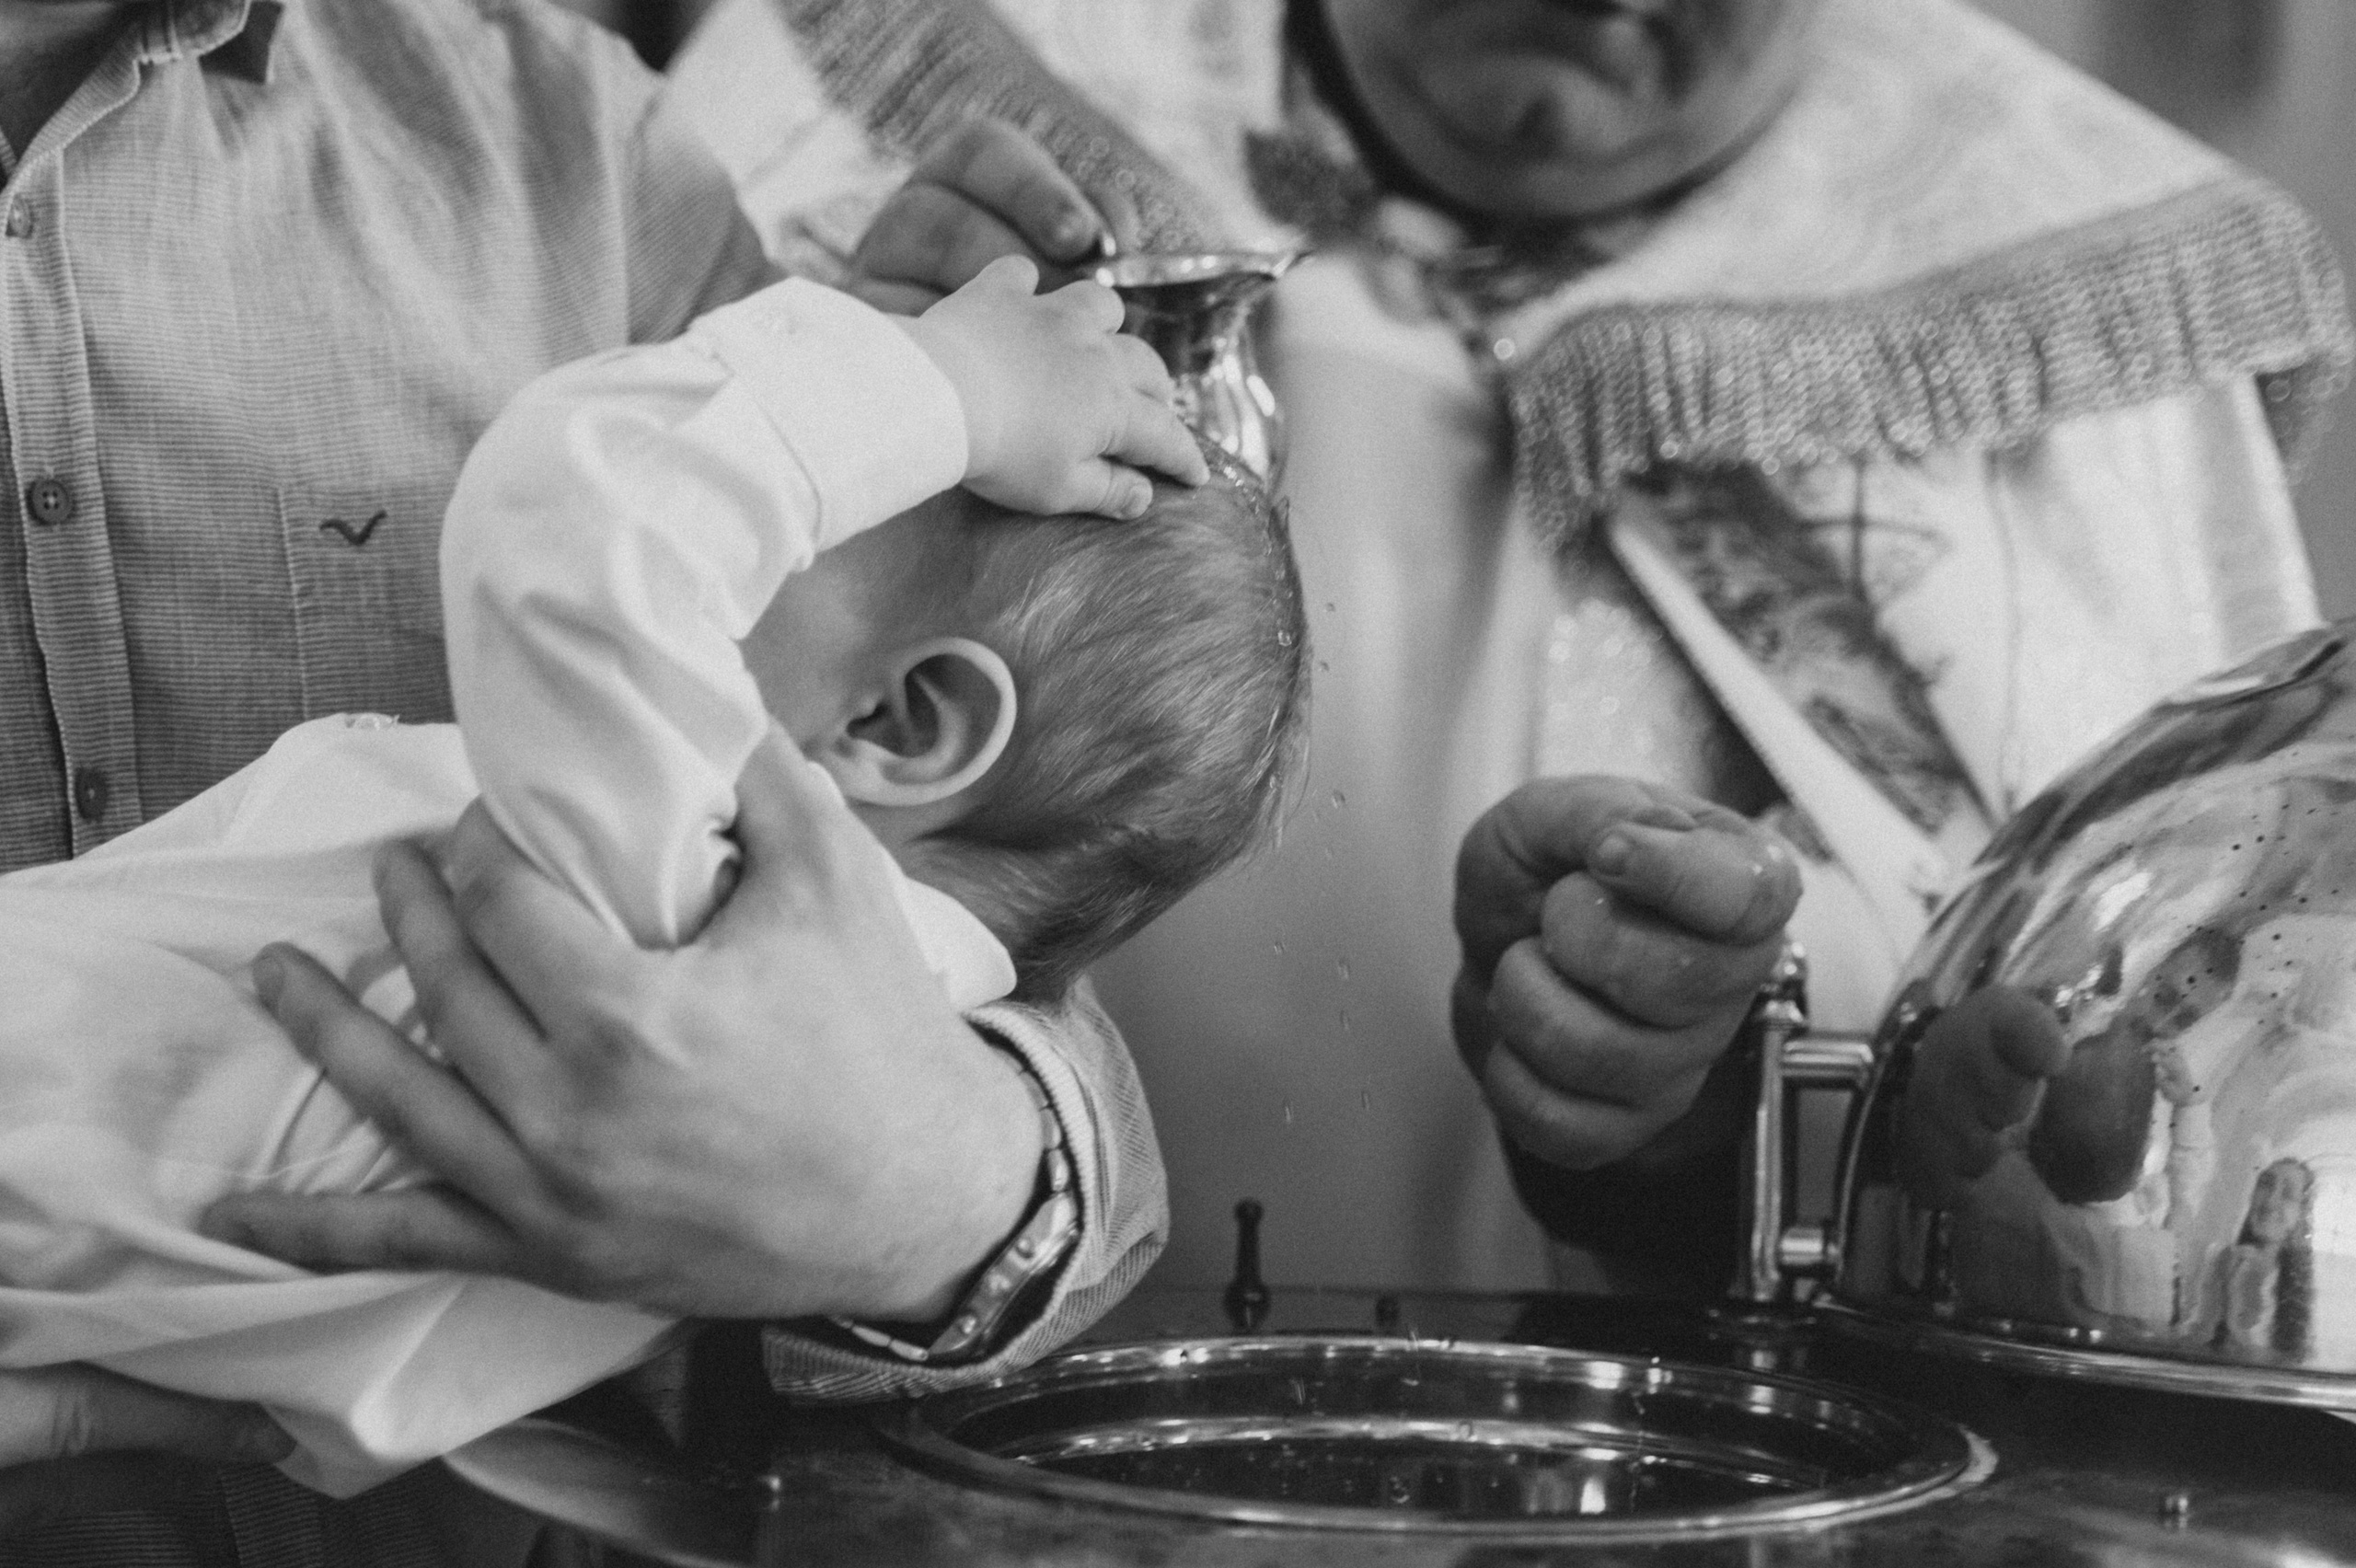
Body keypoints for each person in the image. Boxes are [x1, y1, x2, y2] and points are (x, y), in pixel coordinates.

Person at [667, 0, 2350, 1297]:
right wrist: (826, 442)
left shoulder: (2068, 303)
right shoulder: (889, 104)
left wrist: (1707, 1110)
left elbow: (2151, 1094)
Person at [0, 0, 1243, 1557]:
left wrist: (927, 1184)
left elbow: (592, 517)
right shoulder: (792, 885)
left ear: (910, 726)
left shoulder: (571, 145)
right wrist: (866, 403)